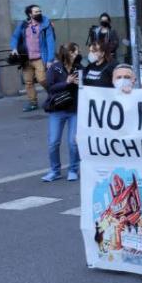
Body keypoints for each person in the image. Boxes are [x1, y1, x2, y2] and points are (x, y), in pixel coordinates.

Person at [42, 43, 82, 182]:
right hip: (57, 110)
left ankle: (73, 170)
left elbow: (86, 85)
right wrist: (67, 82)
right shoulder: (55, 68)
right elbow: (50, 87)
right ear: (67, 53)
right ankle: (55, 170)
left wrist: (80, 84)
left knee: (73, 142)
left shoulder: (79, 67)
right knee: (53, 142)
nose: (77, 54)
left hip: (74, 110)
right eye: (74, 52)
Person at [9, 4, 57, 112]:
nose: (39, 13)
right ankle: (33, 103)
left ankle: (54, 94)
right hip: (26, 59)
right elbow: (15, 37)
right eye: (36, 12)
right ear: (30, 14)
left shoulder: (45, 25)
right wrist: (14, 48)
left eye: (40, 11)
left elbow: (50, 42)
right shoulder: (23, 25)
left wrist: (50, 59)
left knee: (42, 79)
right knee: (28, 82)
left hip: (40, 58)